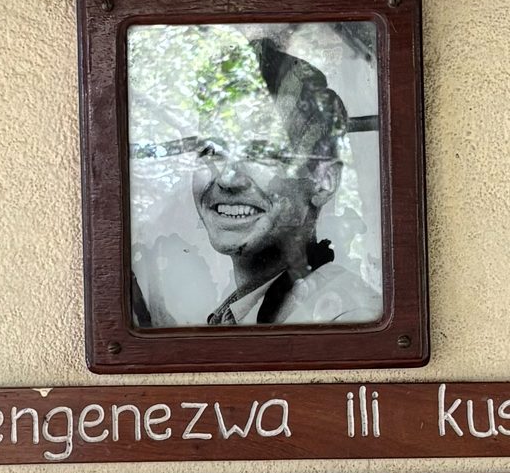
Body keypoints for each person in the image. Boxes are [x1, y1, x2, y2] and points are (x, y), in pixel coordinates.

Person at [131, 35, 382, 328]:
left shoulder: (349, 320)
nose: (227, 178)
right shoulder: (241, 310)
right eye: (211, 151)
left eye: (259, 153)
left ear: (323, 180)